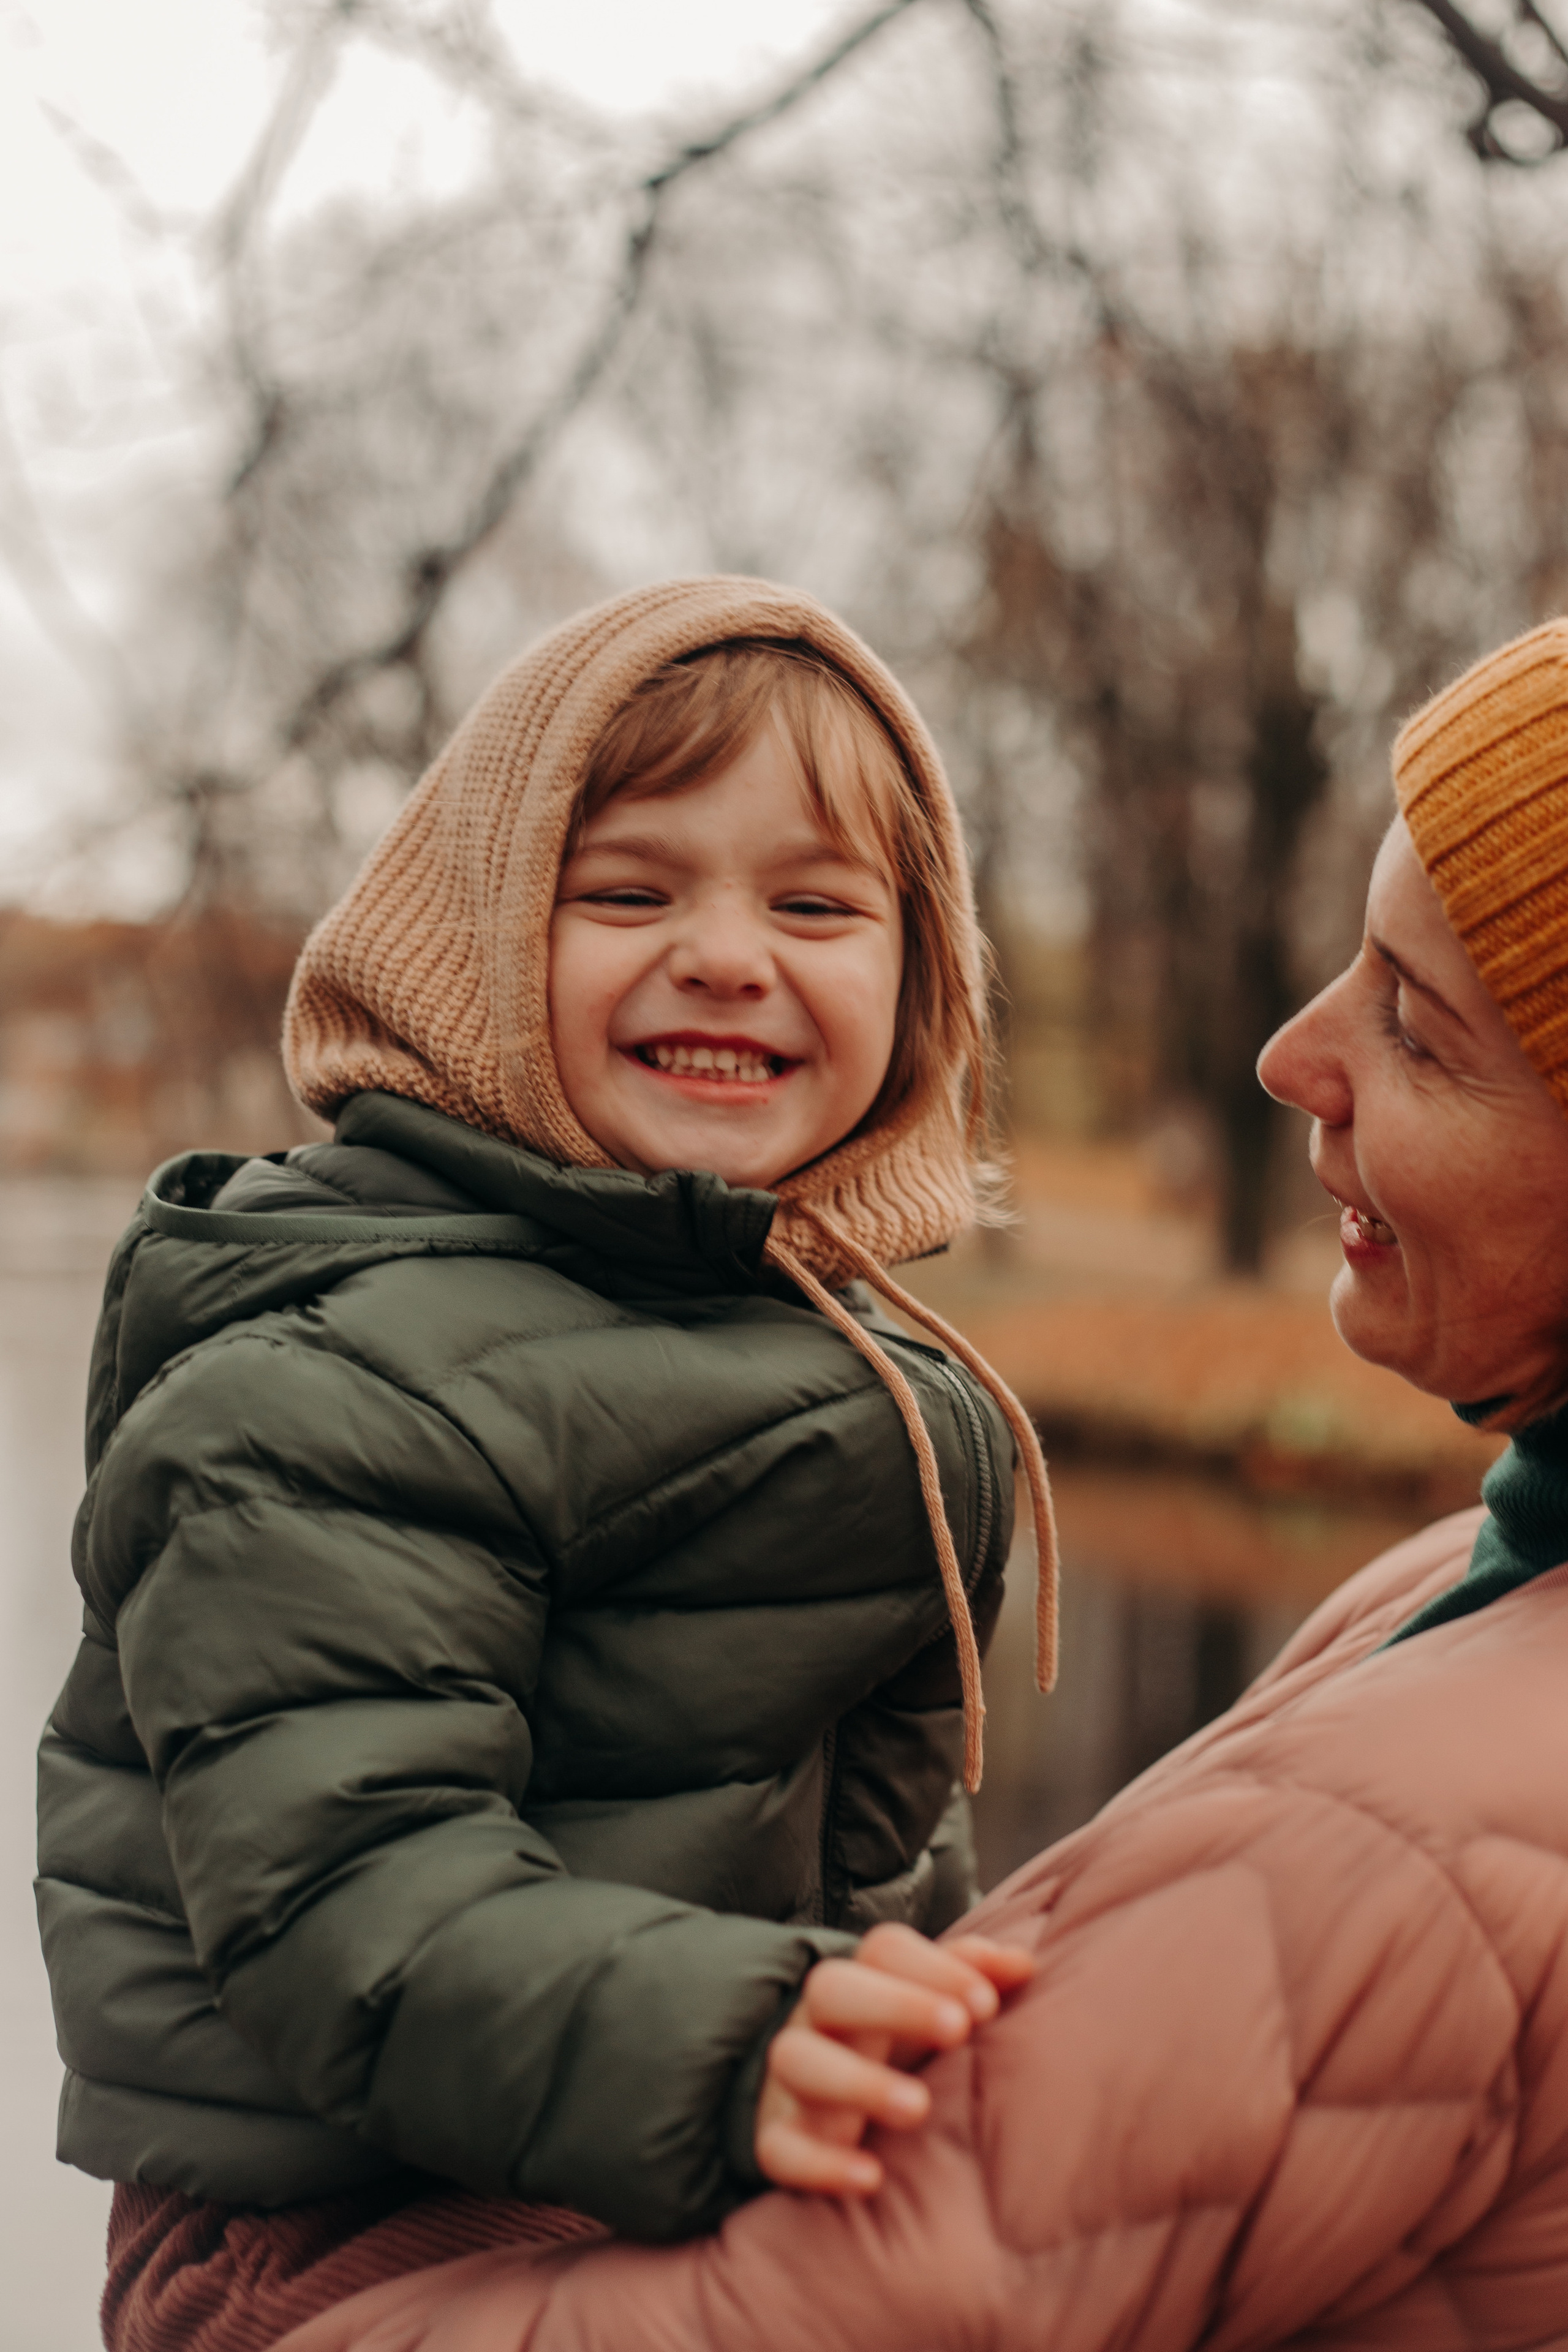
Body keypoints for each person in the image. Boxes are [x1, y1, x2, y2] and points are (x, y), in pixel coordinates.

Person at [246, 620, 1568, 2352]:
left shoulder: (1423, 1837)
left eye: (1416, 1023)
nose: (1287, 1057)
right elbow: (344, 1864)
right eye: (629, 896)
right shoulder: (1450, 1579)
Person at [39, 576, 1061, 2351]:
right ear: (482, 946)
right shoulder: (335, 1387)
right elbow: (344, 1895)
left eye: (815, 904)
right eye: (630, 893)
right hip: (327, 2214)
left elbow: (883, 1859)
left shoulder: (860, 1374)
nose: (728, 953)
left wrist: (909, 2035)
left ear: (919, 982)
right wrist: (741, 2041)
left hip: (672, 2114)